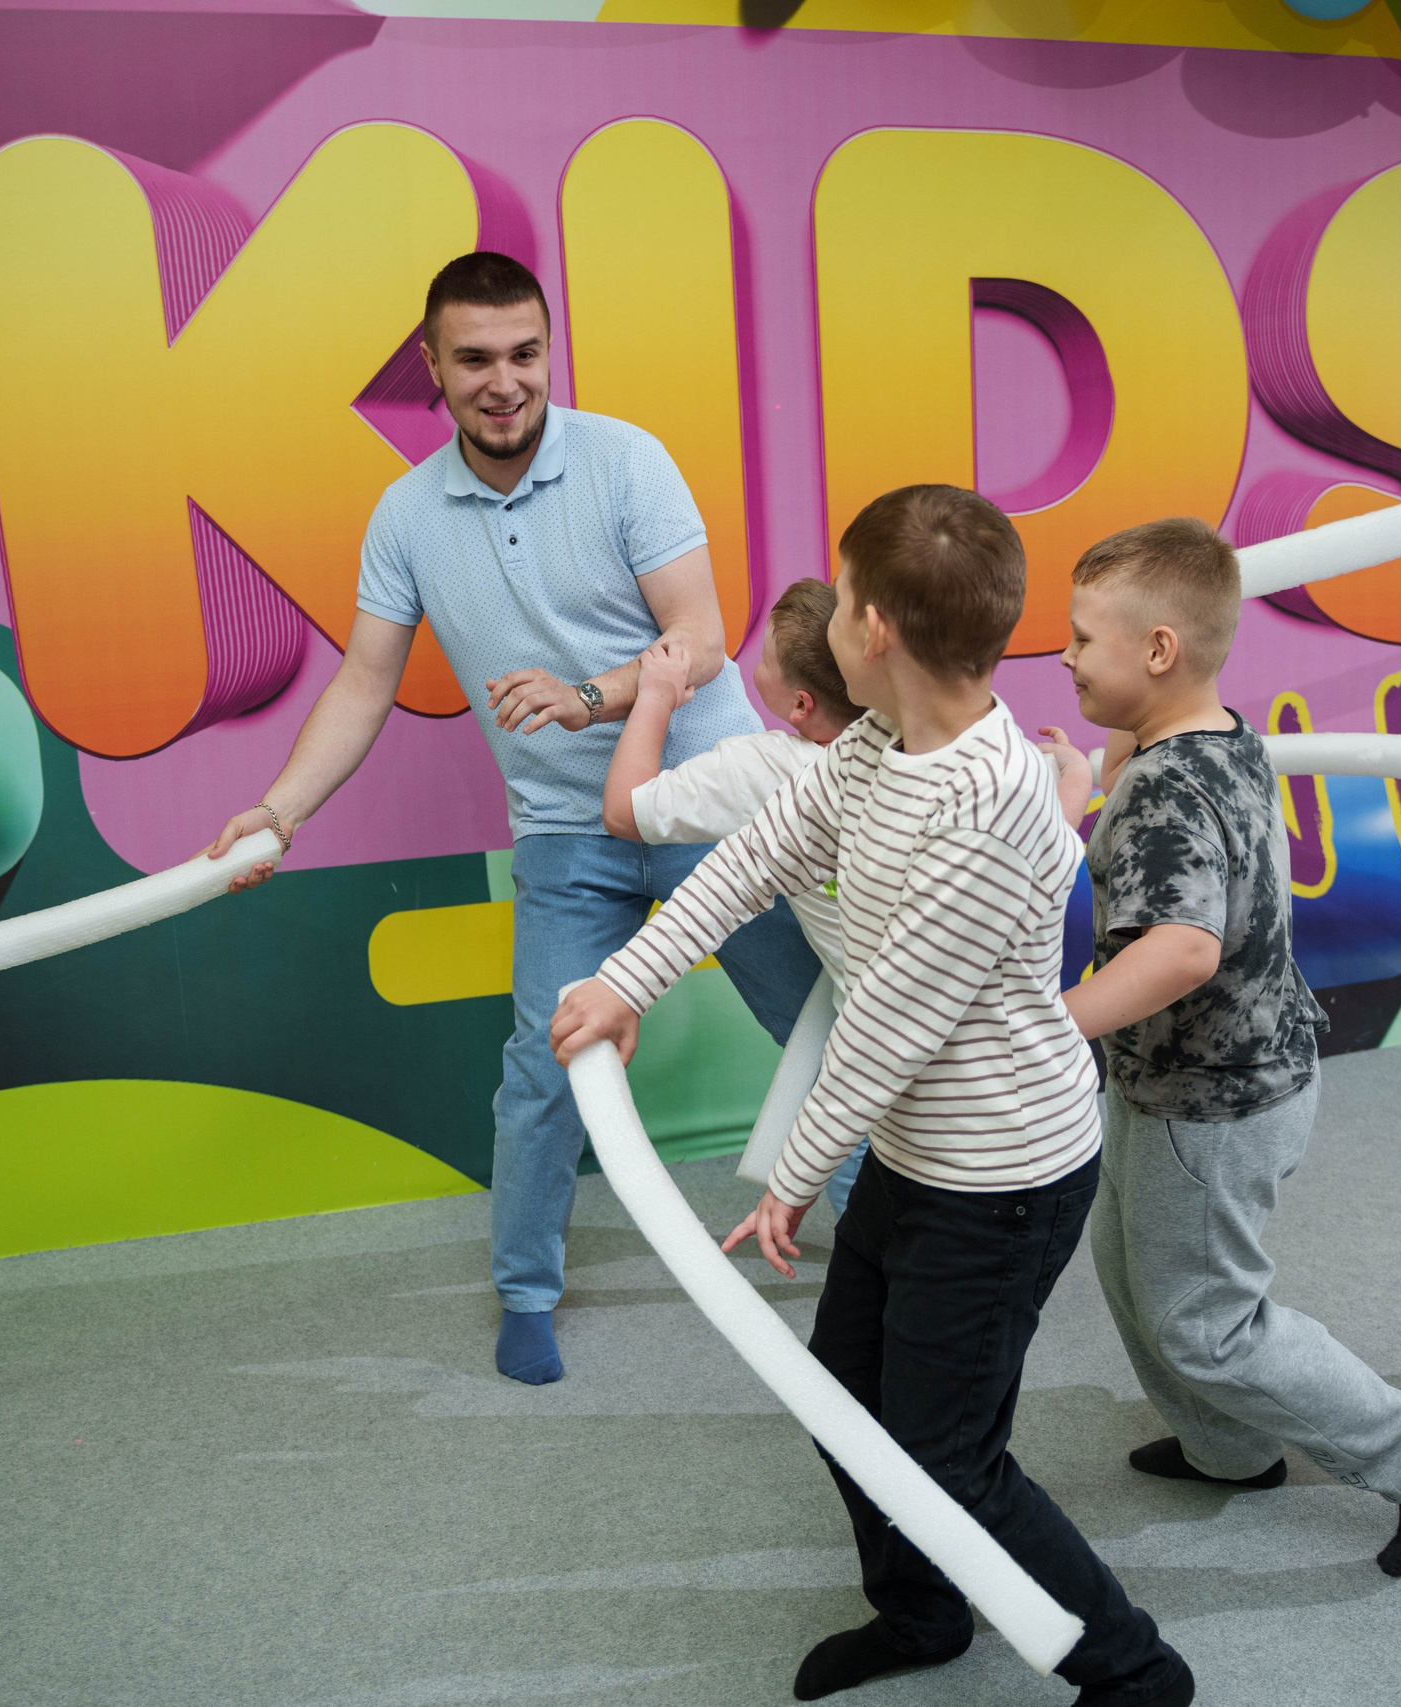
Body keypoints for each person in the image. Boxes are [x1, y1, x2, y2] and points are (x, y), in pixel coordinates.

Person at [551, 487, 1192, 1707]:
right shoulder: (871, 747)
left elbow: (890, 1024)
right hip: (920, 1154)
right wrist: (628, 982)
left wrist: (791, 1177)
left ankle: (1136, 1671)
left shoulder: (990, 806)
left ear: (878, 628)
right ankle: (922, 1612)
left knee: (949, 1454)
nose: (830, 610)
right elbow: (753, 859)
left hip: (1005, 1177)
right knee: (847, 1398)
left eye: (842, 595)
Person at [203, 252, 817, 1388]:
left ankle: (907, 1234)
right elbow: (361, 685)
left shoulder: (627, 462)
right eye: (475, 358)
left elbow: (696, 640)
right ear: (431, 367)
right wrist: (279, 814)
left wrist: (588, 696)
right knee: (544, 1063)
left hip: (706, 803)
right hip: (565, 834)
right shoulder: (404, 515)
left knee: (818, 1019)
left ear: (549, 353)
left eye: (524, 354)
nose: (504, 381)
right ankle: (526, 1294)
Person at [1059, 519, 1401, 1579]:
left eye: (1079, 641)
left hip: (1216, 1097)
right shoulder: (1208, 732)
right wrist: (1098, 772)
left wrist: (1056, 1021)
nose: (1062, 659)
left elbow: (1186, 948)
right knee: (1125, 1263)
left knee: (1207, 1323)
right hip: (1194, 1074)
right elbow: (1155, 815)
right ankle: (1230, 1449)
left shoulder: (1163, 786)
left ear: (1157, 652)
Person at [604, 579, 1100, 1220]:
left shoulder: (764, 769)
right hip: (995, 1034)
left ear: (801, 704)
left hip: (922, 1050)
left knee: (876, 1165)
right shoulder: (933, 747)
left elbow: (625, 810)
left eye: (764, 662)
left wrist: (656, 697)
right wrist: (1075, 781)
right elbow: (1032, 861)